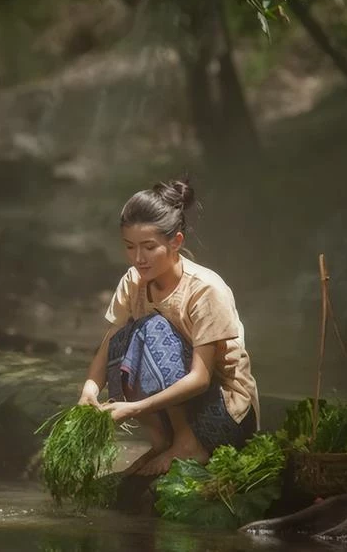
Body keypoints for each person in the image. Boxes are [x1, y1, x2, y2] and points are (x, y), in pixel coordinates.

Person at [77, 179, 259, 476]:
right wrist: (90, 389)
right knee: (123, 338)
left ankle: (187, 443)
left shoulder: (204, 289)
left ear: (175, 242)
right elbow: (110, 343)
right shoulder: (133, 280)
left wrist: (134, 409)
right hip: (175, 409)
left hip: (222, 415)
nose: (138, 258)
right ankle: (163, 442)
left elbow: (200, 379)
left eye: (149, 247)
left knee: (152, 327)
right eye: (129, 247)